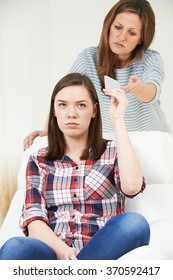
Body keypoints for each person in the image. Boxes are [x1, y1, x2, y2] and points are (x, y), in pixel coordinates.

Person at [0, 73, 150, 260]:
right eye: (63, 105)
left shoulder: (114, 150)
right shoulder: (39, 159)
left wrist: (118, 119)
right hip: (53, 251)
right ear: (54, 111)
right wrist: (63, 251)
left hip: (102, 250)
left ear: (94, 111)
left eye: (81, 105)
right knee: (14, 247)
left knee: (135, 223)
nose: (71, 113)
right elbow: (34, 219)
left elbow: (132, 186)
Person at [23, 0, 170, 151]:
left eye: (132, 33)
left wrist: (138, 88)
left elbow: (152, 91)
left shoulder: (151, 59)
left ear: (141, 38)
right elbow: (65, 95)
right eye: (118, 27)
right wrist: (49, 131)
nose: (121, 37)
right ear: (109, 25)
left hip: (151, 141)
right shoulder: (89, 58)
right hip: (109, 142)